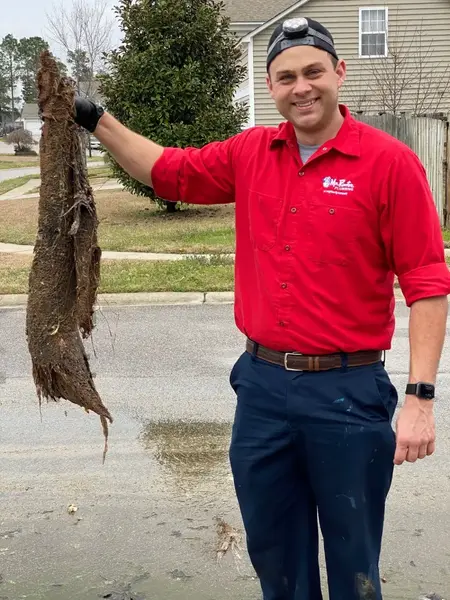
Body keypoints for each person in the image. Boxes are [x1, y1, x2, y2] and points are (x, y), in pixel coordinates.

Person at [73, 17, 450, 600]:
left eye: (313, 72)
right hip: (263, 392)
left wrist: (420, 399)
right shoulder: (252, 152)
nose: (301, 87)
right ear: (271, 86)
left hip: (348, 393)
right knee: (275, 563)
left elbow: (427, 283)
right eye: (286, 77)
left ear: (338, 73)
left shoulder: (390, 164)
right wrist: (95, 119)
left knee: (355, 568)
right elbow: (168, 172)